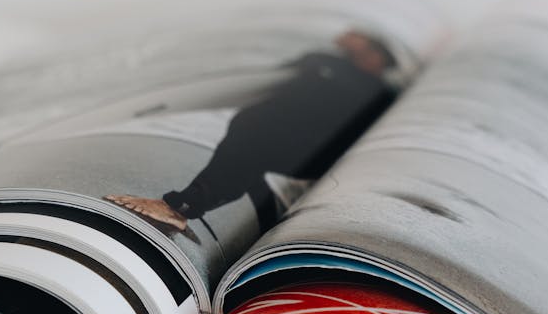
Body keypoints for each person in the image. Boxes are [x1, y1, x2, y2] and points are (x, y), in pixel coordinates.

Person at [104, 29, 397, 236]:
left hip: (312, 152)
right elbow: (271, 81)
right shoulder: (323, 61)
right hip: (270, 132)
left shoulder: (380, 93)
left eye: (366, 45)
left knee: (254, 138)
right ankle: (191, 206)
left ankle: (179, 208)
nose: (349, 37)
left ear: (378, 57)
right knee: (249, 139)